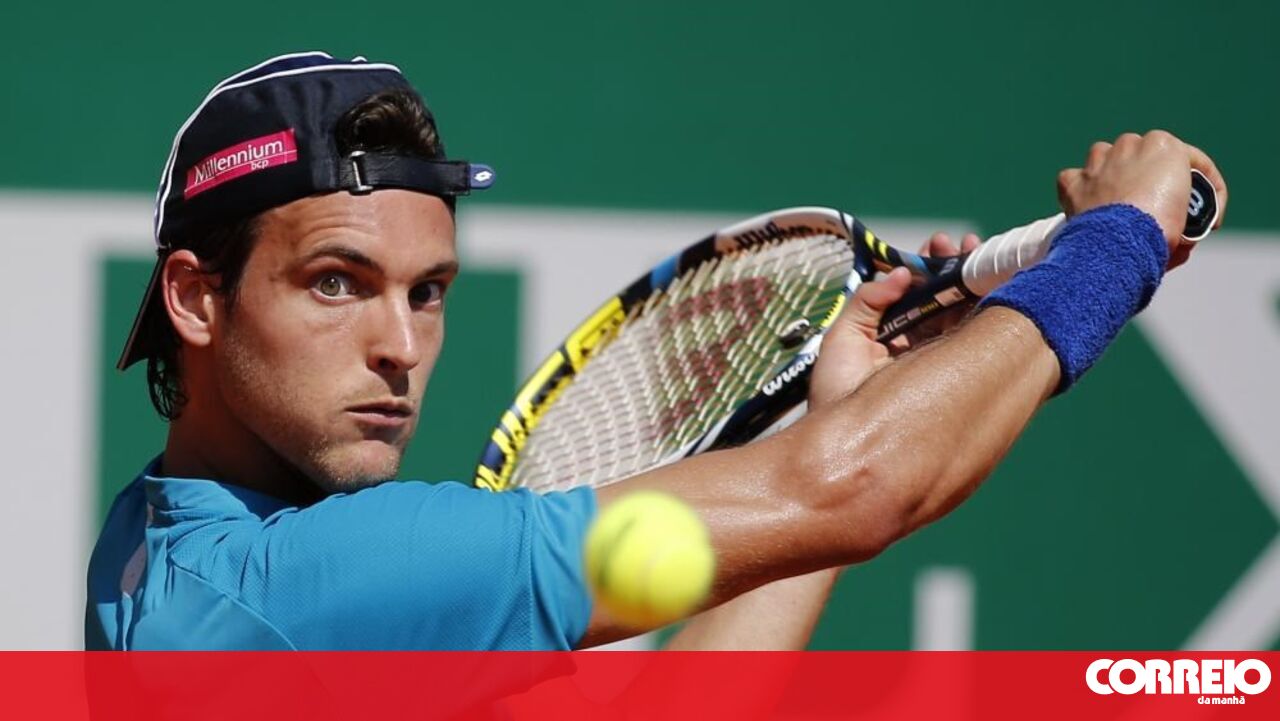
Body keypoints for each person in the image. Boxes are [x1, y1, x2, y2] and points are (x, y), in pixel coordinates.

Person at [85, 52, 1226, 651]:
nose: (399, 346)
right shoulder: (305, 589)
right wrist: (1114, 245)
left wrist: (831, 419)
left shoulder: (152, 543)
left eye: (427, 292)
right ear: (196, 297)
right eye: (335, 282)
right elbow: (854, 488)